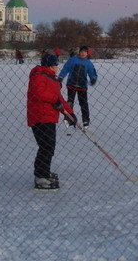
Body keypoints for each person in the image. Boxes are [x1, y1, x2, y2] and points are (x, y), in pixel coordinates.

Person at [27, 53, 75, 190]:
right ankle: (41, 176)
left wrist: (70, 113)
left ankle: (44, 172)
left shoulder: (51, 79)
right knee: (46, 146)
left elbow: (59, 99)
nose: (57, 68)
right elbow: (38, 92)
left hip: (48, 116)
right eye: (55, 65)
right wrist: (54, 100)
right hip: (40, 117)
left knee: (49, 146)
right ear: (50, 65)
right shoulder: (39, 76)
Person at [58, 46, 98, 129]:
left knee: (83, 103)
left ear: (87, 53)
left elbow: (92, 72)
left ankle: (86, 120)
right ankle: (69, 118)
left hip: (82, 86)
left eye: (85, 52)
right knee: (70, 102)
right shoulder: (73, 60)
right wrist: (61, 77)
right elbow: (66, 68)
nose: (83, 53)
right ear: (79, 52)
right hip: (71, 84)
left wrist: (93, 78)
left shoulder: (88, 63)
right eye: (82, 51)